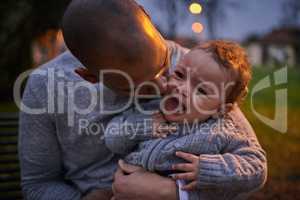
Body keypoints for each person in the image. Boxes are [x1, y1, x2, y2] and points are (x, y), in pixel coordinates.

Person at [19, 0, 187, 199]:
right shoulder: (45, 87)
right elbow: (38, 184)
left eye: (164, 62)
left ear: (146, 16)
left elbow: (233, 161)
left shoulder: (190, 62)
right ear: (89, 77)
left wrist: (174, 191)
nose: (163, 86)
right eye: (133, 86)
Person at [104, 40, 267, 199]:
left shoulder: (221, 130)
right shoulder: (150, 108)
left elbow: (257, 167)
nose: (182, 88)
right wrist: (143, 127)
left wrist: (207, 170)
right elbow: (112, 139)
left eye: (201, 90)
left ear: (220, 109)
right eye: (180, 75)